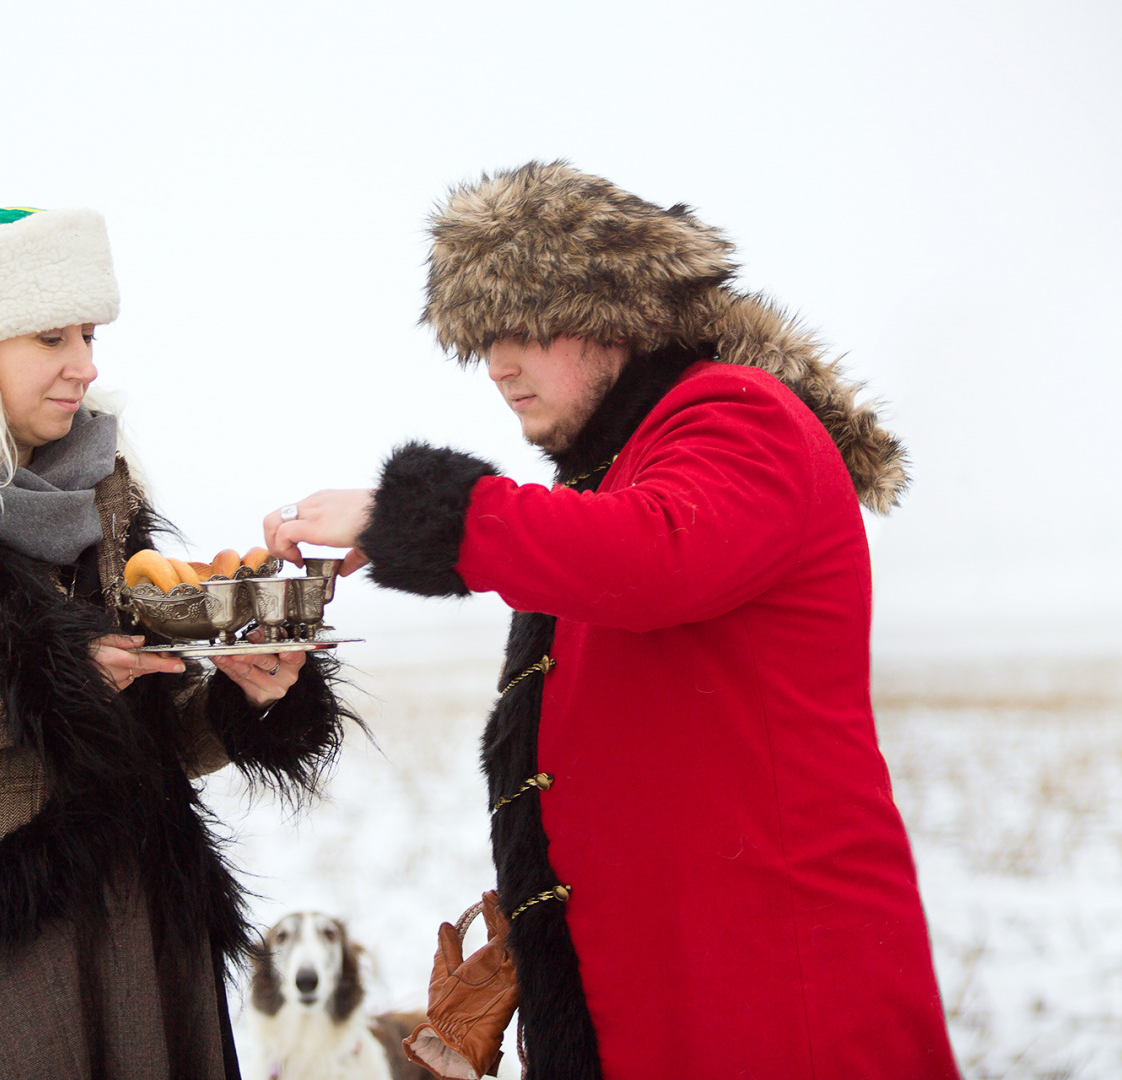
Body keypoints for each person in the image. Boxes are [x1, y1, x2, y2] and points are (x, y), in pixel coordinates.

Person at [264, 163, 960, 1079]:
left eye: (522, 328)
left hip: (777, 994)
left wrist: (421, 518)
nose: (499, 365)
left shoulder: (744, 420)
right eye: (482, 339)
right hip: (669, 984)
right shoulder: (623, 466)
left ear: (616, 314)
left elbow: (655, 552)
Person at [0, 206, 353, 1079]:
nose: (85, 367)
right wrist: (41, 688)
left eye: (88, 335)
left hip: (140, 935)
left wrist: (245, 694)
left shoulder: (105, 484)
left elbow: (145, 734)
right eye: (52, 337)